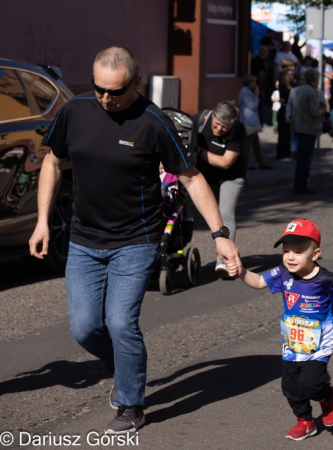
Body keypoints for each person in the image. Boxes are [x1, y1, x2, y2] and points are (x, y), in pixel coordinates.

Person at [28, 46, 242, 434]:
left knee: (122, 323)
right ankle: (126, 371)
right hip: (83, 239)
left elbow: (192, 178)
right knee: (84, 328)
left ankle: (131, 403)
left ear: (136, 82)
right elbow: (53, 162)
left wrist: (220, 235)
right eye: (99, 89)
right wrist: (43, 220)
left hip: (136, 239)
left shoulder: (153, 121)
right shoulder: (75, 111)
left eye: (116, 91)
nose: (107, 99)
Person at [229, 219, 333, 441]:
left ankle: (327, 396)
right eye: (286, 251)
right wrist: (241, 271)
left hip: (320, 343)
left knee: (310, 384)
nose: (290, 256)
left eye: (298, 251)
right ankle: (305, 421)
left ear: (315, 254)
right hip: (293, 342)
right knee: (290, 386)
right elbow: (258, 281)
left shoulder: (325, 279)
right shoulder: (282, 273)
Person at [193, 102, 247, 278]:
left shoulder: (239, 130)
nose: (218, 130)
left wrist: (199, 151)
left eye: (224, 128)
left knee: (225, 214)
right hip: (205, 174)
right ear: (213, 116)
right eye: (216, 125)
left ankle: (224, 262)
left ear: (232, 124)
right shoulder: (200, 119)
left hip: (230, 176)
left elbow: (225, 162)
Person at [291, 69, 325, 195]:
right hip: (308, 128)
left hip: (300, 127)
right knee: (305, 159)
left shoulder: (300, 89)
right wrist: (323, 110)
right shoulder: (312, 91)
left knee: (301, 159)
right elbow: (315, 112)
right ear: (315, 79)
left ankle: (298, 185)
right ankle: (301, 186)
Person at [238, 74, 272, 170]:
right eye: (254, 82)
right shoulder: (245, 93)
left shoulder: (248, 91)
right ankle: (246, 162)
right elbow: (253, 107)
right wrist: (257, 96)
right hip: (248, 122)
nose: (256, 84)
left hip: (252, 122)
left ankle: (261, 162)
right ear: (250, 83)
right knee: (247, 145)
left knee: (256, 144)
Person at [277, 69, 295, 161]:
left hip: (290, 110)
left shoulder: (293, 85)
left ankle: (287, 153)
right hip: (284, 110)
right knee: (283, 134)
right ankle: (282, 154)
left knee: (288, 134)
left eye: (291, 74)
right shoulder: (283, 86)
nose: (290, 76)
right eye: (288, 74)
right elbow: (283, 100)